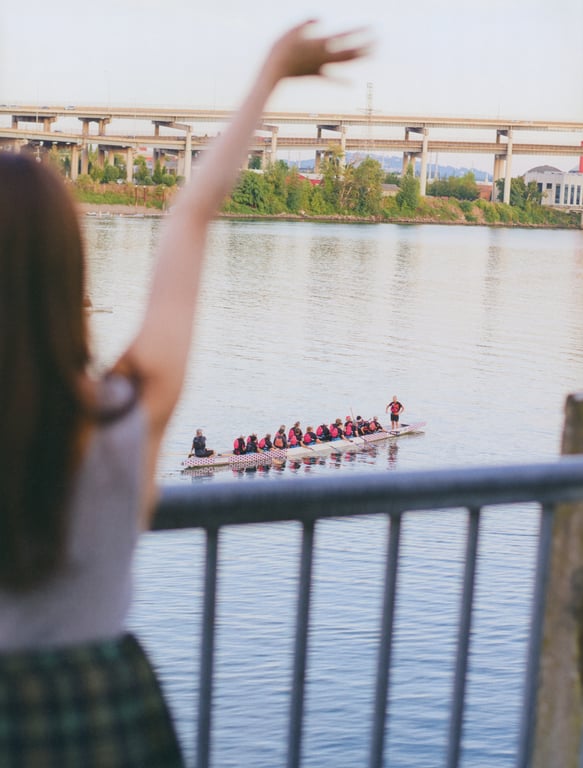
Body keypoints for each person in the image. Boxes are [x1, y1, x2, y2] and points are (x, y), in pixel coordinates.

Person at [0, 22, 369, 767]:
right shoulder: (124, 415)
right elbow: (189, 216)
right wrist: (271, 72)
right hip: (107, 712)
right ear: (71, 274)